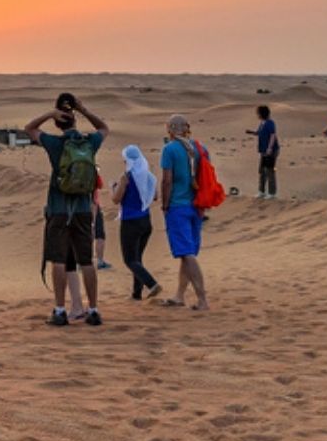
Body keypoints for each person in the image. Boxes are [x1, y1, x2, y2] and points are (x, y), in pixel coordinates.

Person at [24, 94, 110, 326]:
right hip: (83, 209)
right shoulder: (90, 142)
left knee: (59, 260)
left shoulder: (55, 143)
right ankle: (93, 310)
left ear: (58, 123)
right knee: (87, 261)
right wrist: (83, 110)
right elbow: (103, 127)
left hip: (58, 210)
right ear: (74, 120)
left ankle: (60, 310)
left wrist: (50, 114)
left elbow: (29, 128)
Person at [157, 115, 210, 311]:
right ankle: (179, 295)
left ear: (170, 129)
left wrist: (165, 204)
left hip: (178, 206)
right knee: (185, 253)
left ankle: (202, 299)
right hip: (196, 207)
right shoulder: (200, 148)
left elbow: (167, 180)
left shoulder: (169, 149)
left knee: (186, 254)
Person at [112, 145, 162, 300]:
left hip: (130, 221)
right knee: (137, 258)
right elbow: (155, 196)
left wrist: (115, 187)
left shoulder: (126, 177)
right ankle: (136, 293)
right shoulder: (147, 175)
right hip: (145, 220)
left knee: (130, 260)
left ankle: (151, 283)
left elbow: (116, 199)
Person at [247, 105, 279, 199]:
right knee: (262, 171)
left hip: (271, 151)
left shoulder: (270, 123)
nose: (257, 115)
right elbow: (259, 133)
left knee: (270, 171)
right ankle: (261, 191)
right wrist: (251, 132)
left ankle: (272, 193)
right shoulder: (262, 123)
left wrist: (269, 148)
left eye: (258, 113)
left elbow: (273, 135)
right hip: (263, 151)